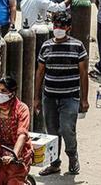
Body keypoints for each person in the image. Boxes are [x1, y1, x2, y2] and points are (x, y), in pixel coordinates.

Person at [34, 11, 89, 176]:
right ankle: (54, 163)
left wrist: (84, 100)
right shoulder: (46, 46)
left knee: (67, 129)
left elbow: (83, 74)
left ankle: (72, 156)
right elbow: (40, 73)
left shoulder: (77, 46)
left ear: (68, 28)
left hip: (70, 96)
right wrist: (36, 97)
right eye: (55, 25)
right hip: (49, 96)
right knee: (51, 130)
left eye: (61, 26)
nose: (58, 28)